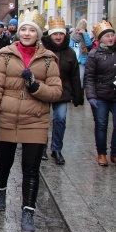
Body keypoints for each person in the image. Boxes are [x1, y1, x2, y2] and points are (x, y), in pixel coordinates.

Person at [0, 9, 62, 232]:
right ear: (18, 32)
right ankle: (0, 190)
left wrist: (36, 87)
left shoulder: (48, 60)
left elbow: (56, 92)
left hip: (35, 120)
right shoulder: (5, 55)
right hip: (8, 118)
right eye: (24, 29)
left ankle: (28, 211)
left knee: (31, 168)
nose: (27, 33)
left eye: (32, 30)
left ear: (38, 34)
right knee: (3, 162)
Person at [40, 18, 83, 165]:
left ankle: (57, 149)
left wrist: (78, 95)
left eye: (61, 34)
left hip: (63, 92)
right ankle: (42, 148)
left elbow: (75, 76)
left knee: (60, 119)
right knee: (43, 120)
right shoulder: (43, 50)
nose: (58, 37)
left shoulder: (70, 53)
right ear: (50, 35)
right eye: (55, 34)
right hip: (44, 91)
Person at [84, 20, 116, 167]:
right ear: (100, 39)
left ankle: (114, 153)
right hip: (101, 96)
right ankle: (101, 153)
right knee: (101, 125)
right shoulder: (94, 54)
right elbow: (89, 77)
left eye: (112, 35)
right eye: (107, 36)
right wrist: (91, 96)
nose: (110, 38)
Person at [69, 19, 93, 86]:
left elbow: (89, 44)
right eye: (77, 30)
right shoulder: (72, 37)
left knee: (80, 78)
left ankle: (80, 90)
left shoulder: (85, 37)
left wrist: (84, 34)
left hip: (81, 62)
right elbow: (70, 47)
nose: (78, 31)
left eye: (80, 30)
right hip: (73, 61)